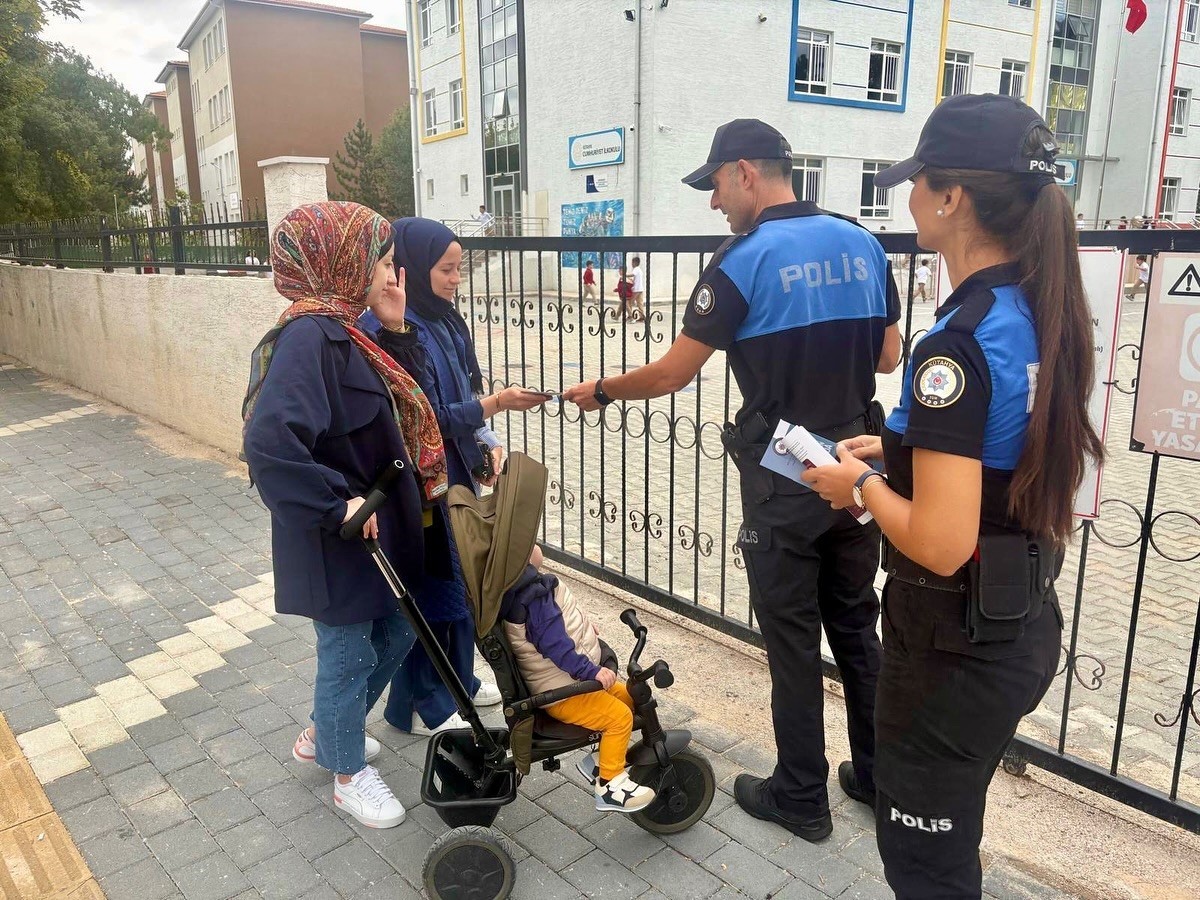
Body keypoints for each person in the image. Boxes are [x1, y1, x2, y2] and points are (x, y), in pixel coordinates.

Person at [563, 118, 902, 842]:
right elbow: (888, 358)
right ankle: (877, 780)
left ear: (746, 171)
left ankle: (802, 798)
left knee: (791, 642)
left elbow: (674, 372)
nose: (714, 203)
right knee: (855, 629)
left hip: (787, 479)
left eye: (715, 184)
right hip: (856, 471)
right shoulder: (863, 243)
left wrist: (601, 389)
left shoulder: (743, 260)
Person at [803, 93, 1103, 898]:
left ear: (951, 197)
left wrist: (859, 481)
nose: (907, 195)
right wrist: (899, 454)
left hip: (952, 651)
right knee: (949, 835)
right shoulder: (1037, 310)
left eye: (917, 180)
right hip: (1015, 626)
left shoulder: (956, 344)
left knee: (926, 866)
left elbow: (938, 541)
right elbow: (996, 464)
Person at [242, 201, 451, 829]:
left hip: (374, 538)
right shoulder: (311, 336)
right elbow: (270, 444)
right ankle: (346, 771)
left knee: (401, 630)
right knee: (347, 653)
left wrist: (395, 324)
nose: (392, 276)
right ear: (342, 262)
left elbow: (412, 409)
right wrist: (337, 502)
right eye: (382, 264)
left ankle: (324, 732)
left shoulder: (346, 330)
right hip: (341, 539)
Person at [360, 217, 548, 736]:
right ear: (412, 268)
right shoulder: (393, 328)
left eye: (459, 268)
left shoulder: (443, 318)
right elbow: (429, 418)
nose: (455, 279)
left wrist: (485, 440)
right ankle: (427, 703)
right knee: (438, 587)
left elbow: (466, 382)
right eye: (446, 269)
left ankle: (457, 680)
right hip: (421, 480)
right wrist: (494, 406)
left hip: (457, 468)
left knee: (465, 581)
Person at [501, 544, 656, 812]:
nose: (536, 546)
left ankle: (599, 761)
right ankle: (610, 785)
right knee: (619, 718)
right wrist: (591, 671)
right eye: (529, 545)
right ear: (519, 561)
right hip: (564, 690)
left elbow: (559, 629)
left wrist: (584, 630)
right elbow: (557, 647)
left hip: (565, 680)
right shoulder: (532, 600)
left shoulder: (525, 591)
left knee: (626, 697)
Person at [627, 255, 646, 321]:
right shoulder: (639, 270)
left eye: (632, 262)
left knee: (629, 302)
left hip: (636, 289)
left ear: (635, 263)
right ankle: (642, 317)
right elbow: (635, 279)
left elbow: (632, 274)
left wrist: (625, 275)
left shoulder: (636, 269)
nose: (632, 264)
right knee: (640, 303)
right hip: (640, 289)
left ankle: (630, 316)